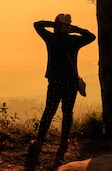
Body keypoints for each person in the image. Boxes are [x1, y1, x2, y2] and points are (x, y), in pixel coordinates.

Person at [29, 13, 96, 154]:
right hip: (71, 82)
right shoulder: (74, 41)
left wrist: (55, 25)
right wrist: (74, 28)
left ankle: (39, 141)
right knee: (67, 112)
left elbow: (37, 25)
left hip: (55, 82)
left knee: (49, 112)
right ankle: (64, 140)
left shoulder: (51, 39)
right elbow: (91, 37)